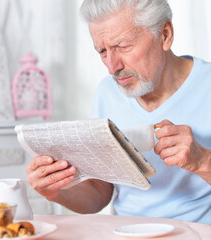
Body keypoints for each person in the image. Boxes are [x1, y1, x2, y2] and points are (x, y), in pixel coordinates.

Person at [25, 0, 211, 224]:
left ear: (165, 34)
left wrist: (202, 161)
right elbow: (100, 190)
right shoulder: (107, 92)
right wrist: (55, 192)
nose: (112, 67)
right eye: (102, 51)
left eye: (123, 46)